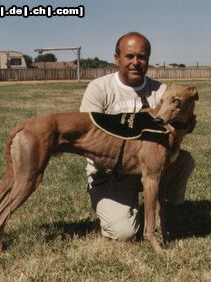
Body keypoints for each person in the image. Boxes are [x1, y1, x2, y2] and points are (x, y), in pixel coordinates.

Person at [80, 32, 194, 241]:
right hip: (109, 172)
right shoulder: (99, 89)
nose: (135, 62)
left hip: (147, 164)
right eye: (129, 56)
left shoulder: (160, 91)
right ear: (117, 58)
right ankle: (124, 206)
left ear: (148, 60)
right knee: (124, 233)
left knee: (184, 159)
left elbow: (179, 125)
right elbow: (88, 138)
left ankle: (164, 212)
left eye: (141, 57)